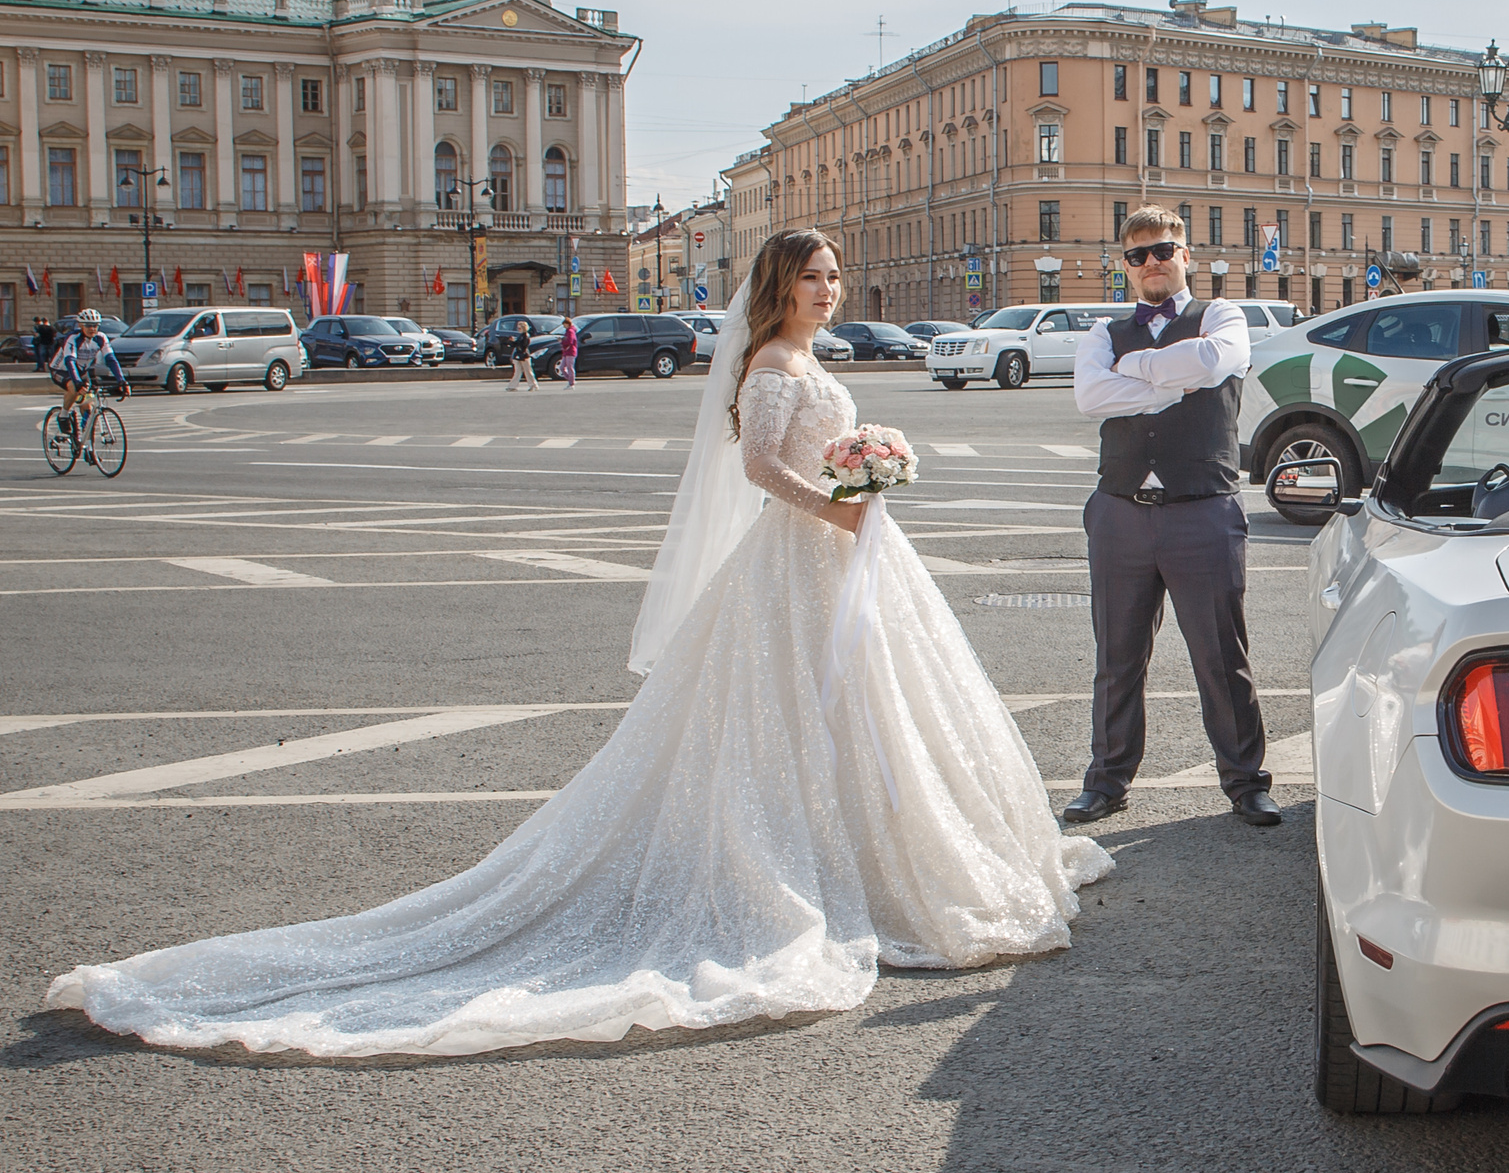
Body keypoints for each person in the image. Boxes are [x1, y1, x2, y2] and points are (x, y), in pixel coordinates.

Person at [46, 229, 1109, 1057]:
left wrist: (864, 482)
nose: (830, 290)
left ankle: (874, 860)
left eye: (836, 278)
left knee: (862, 714)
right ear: (781, 284)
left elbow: (811, 463)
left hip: (844, 555)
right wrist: (842, 504)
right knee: (805, 714)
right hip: (808, 555)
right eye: (817, 277)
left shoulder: (802, 356)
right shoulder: (776, 369)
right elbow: (762, 476)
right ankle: (831, 871)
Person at [1064, 205, 1276, 828]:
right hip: (1119, 511)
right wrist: (1173, 380)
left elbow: (1213, 364)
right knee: (1117, 656)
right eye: (1137, 256)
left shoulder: (1222, 316)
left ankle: (1245, 783)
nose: (1151, 263)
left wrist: (1137, 371)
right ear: (1125, 267)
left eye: (1162, 250)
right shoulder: (1104, 333)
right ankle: (1106, 781)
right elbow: (1090, 396)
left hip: (1202, 510)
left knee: (1220, 653)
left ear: (1185, 254)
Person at [48, 310, 124, 461]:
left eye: (95, 325)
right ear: (81, 326)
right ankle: (63, 415)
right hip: (62, 369)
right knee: (74, 388)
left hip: (81, 371)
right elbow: (70, 360)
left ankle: (88, 447)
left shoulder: (101, 338)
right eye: (88, 325)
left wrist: (122, 380)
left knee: (88, 409)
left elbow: (111, 359)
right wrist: (77, 382)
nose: (92, 328)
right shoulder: (73, 338)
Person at [506, 319, 536, 392]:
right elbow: (516, 344)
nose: (518, 329)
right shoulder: (521, 336)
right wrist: (511, 341)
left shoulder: (526, 336)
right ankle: (512, 386)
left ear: (523, 328)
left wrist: (515, 342)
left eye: (519, 328)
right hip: (518, 355)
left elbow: (524, 345)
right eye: (518, 328)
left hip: (524, 356)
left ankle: (533, 385)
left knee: (528, 371)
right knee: (517, 372)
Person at [557, 315, 580, 387]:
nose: (564, 326)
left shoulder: (570, 331)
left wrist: (562, 341)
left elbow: (570, 341)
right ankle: (570, 380)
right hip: (567, 352)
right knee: (562, 367)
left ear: (567, 324)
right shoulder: (568, 331)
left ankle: (571, 382)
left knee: (570, 367)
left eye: (564, 324)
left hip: (570, 351)